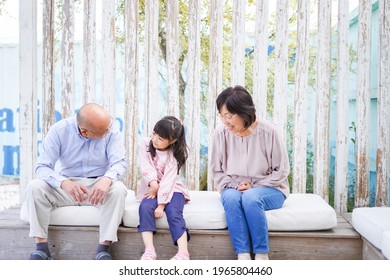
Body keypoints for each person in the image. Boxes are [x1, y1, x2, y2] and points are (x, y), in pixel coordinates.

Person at [23, 103, 128, 260]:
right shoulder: (59, 130)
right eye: (104, 131)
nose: (109, 131)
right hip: (66, 186)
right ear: (85, 132)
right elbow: (42, 167)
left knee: (118, 188)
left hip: (97, 186)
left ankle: (103, 250)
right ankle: (41, 249)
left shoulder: (111, 129)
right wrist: (63, 182)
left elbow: (120, 162)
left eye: (109, 127)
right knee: (34, 186)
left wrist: (107, 179)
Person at [210, 85, 290, 260]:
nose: (225, 122)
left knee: (251, 197)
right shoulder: (220, 133)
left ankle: (261, 255)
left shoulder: (270, 132)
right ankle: (243, 255)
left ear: (244, 113)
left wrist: (254, 186)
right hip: (233, 186)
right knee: (231, 198)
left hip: (270, 188)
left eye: (229, 116)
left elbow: (282, 170)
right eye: (222, 116)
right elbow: (217, 170)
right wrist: (235, 185)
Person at [137, 116, 191, 260]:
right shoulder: (145, 144)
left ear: (172, 141)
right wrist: (153, 183)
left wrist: (161, 205)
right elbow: (146, 165)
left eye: (160, 138)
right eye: (154, 134)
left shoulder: (175, 153)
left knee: (173, 212)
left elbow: (168, 180)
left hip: (173, 188)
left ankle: (183, 253)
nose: (155, 139)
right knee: (145, 207)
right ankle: (149, 250)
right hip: (152, 186)